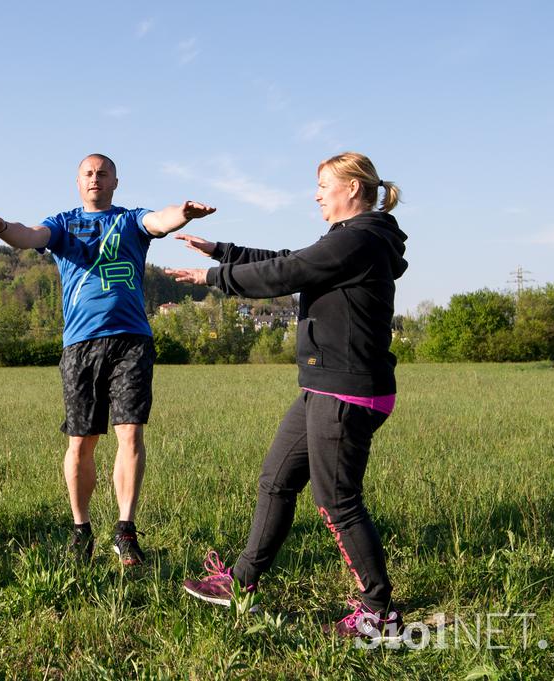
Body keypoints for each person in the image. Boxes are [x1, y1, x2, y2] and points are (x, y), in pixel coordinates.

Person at [167, 152, 408, 641]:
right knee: (276, 480)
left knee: (336, 500)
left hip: (347, 391)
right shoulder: (346, 240)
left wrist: (215, 277)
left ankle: (379, 614)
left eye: (323, 185)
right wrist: (222, 251)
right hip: (323, 386)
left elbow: (285, 274)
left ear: (353, 189)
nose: (316, 194)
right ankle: (240, 582)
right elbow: (290, 262)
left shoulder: (359, 239)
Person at [0, 154, 215, 566]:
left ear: (116, 181)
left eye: (103, 173)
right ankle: (82, 530)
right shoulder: (63, 223)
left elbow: (160, 220)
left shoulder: (131, 220)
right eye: (88, 174)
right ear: (77, 182)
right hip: (81, 346)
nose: (95, 178)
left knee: (130, 435)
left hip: (132, 341)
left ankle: (125, 531)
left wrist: (183, 214)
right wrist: (2, 229)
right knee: (81, 442)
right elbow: (30, 235)